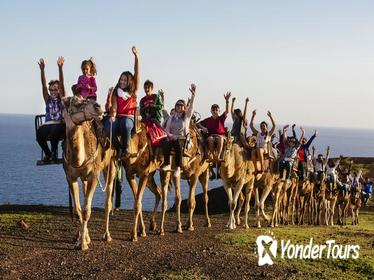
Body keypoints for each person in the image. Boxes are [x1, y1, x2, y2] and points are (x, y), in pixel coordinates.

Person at [107, 46, 139, 157]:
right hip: (118, 116)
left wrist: (136, 57)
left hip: (128, 117)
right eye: (121, 79)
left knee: (125, 124)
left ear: (129, 81)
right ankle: (118, 147)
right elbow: (114, 106)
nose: (122, 82)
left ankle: (125, 148)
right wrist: (112, 115)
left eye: (125, 80)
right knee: (108, 126)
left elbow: (136, 72)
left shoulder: (133, 91)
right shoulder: (117, 92)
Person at [161, 84, 196, 177]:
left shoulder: (186, 117)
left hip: (183, 139)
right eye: (178, 105)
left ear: (184, 107)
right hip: (172, 137)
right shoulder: (171, 118)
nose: (179, 107)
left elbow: (191, 107)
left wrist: (193, 95)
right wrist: (170, 135)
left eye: (181, 105)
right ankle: (167, 164)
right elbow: (167, 129)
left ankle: (178, 167)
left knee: (177, 143)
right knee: (164, 141)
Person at [36, 57, 66, 162]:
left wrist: (60, 68)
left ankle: (54, 152)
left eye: (55, 89)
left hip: (59, 124)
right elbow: (43, 85)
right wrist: (42, 70)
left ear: (58, 90)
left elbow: (62, 85)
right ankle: (48, 154)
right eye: (51, 89)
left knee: (54, 131)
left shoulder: (61, 99)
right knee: (39, 134)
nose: (53, 91)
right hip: (49, 124)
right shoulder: (47, 99)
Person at [198, 92, 231, 161]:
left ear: (219, 111)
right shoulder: (208, 120)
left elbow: (227, 111)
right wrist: (203, 128)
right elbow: (198, 124)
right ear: (211, 111)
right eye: (213, 110)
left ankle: (218, 156)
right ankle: (213, 155)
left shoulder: (221, 118)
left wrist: (227, 101)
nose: (215, 111)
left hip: (221, 135)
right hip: (211, 136)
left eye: (216, 110)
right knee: (210, 139)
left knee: (220, 139)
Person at [139, 80, 167, 146]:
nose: (146, 89)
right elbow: (141, 112)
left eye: (148, 88)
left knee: (158, 134)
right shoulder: (142, 100)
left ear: (152, 88)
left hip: (155, 119)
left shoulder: (156, 97)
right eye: (145, 88)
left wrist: (153, 106)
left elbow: (161, 106)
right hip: (145, 120)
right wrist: (144, 108)